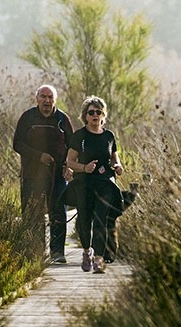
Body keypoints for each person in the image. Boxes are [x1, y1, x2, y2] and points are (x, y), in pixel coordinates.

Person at [12, 84, 76, 264]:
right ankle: (34, 253)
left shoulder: (63, 119)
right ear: (37, 98)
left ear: (55, 100)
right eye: (43, 97)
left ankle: (57, 253)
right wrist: (39, 156)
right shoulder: (28, 117)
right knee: (32, 214)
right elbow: (17, 144)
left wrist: (68, 166)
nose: (47, 101)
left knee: (58, 214)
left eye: (50, 97)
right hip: (31, 176)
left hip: (57, 176)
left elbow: (73, 146)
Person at [64, 96, 125, 274]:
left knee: (100, 221)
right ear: (85, 116)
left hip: (105, 183)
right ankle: (86, 251)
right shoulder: (79, 136)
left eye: (98, 112)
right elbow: (69, 161)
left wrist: (117, 165)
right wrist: (84, 167)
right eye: (91, 112)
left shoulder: (109, 135)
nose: (95, 115)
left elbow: (114, 156)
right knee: (84, 222)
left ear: (103, 114)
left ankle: (99, 259)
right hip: (84, 184)